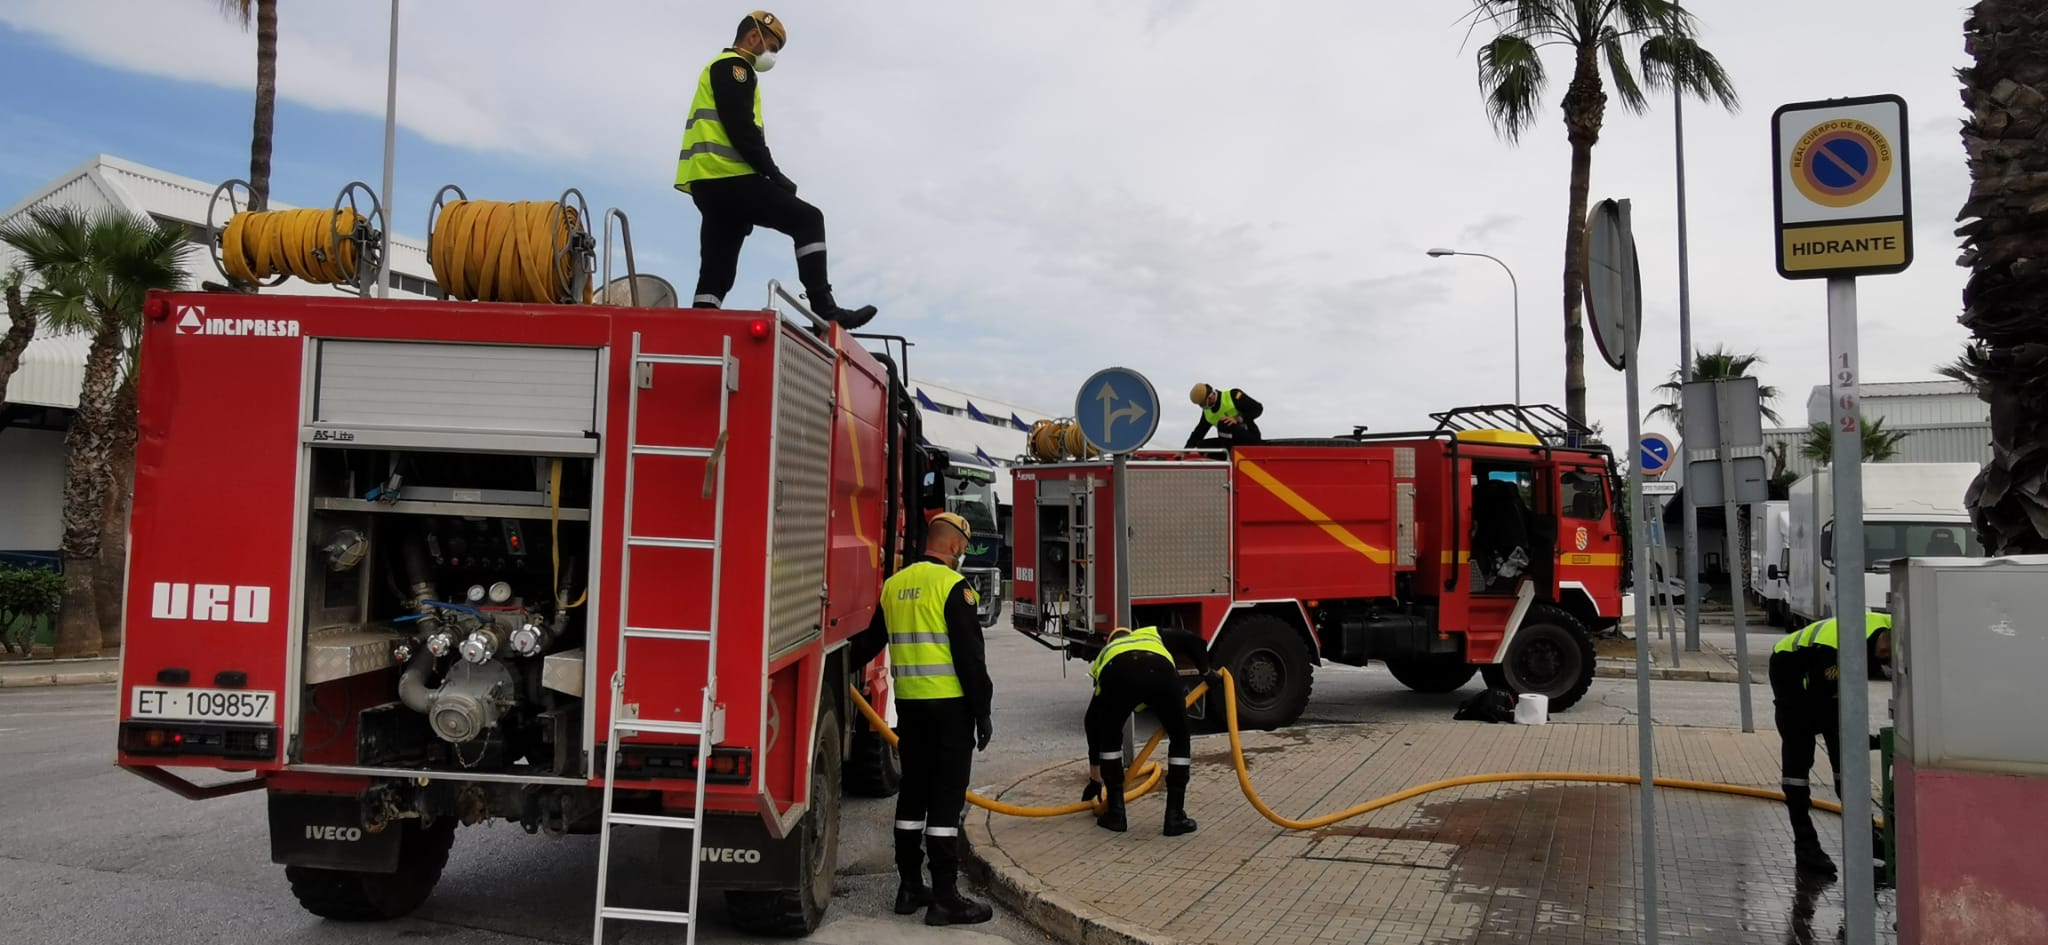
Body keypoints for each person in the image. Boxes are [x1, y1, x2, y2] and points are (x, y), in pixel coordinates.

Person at [674, 11, 878, 329]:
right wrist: (774, 175)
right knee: (809, 220)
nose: (771, 56)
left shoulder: (716, 68)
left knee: (717, 270)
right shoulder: (735, 69)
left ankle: (700, 325)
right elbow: (742, 131)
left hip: (707, 182)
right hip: (730, 176)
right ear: (753, 38)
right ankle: (826, 309)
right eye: (771, 47)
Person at [849, 512, 994, 926]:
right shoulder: (954, 587)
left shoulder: (894, 585)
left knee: (912, 797)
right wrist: (982, 711)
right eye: (963, 547)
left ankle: (910, 886)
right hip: (950, 710)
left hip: (909, 709)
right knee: (946, 801)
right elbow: (970, 658)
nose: (963, 553)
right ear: (954, 545)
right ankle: (946, 898)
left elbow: (868, 644)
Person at [1769, 610, 1893, 877]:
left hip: (1825, 685)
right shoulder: (1837, 648)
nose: (1886, 658)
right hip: (1790, 674)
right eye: (1886, 652)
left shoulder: (1886, 632)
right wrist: (1855, 740)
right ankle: (1806, 848)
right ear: (1886, 639)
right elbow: (1824, 704)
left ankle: (1867, 840)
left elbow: (1846, 701)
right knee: (1798, 766)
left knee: (1846, 768)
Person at [1080, 625, 1214, 836]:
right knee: (1179, 736)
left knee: (1110, 737)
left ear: (1111, 640)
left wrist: (1095, 779)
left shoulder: (1108, 653)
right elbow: (1195, 642)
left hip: (1118, 674)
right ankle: (1175, 816)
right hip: (1159, 672)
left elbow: (1092, 722)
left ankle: (1116, 813)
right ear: (1131, 632)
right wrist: (1207, 672)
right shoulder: (1152, 634)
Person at [1185, 383, 1265, 449]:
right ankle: (1228, 455)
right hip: (1228, 442)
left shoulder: (1233, 395)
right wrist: (1185, 451)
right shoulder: (1207, 412)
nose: (1202, 407)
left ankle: (1230, 455)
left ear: (1211, 396)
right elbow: (1198, 432)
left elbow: (1258, 408)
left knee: (1223, 422)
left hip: (1249, 437)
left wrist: (1238, 419)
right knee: (1202, 446)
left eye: (1202, 404)